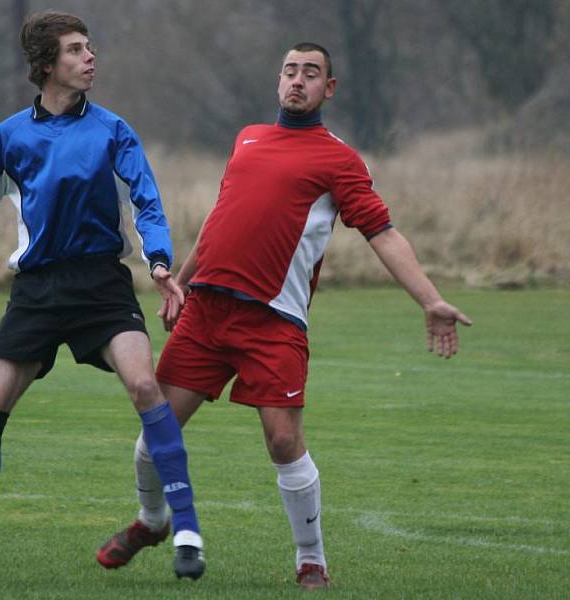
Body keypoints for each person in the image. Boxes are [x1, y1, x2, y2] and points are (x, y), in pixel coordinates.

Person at [96, 42, 472, 589]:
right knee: (158, 428)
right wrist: (180, 278)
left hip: (273, 321)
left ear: (329, 88)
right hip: (205, 309)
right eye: (291, 71)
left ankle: (310, 559)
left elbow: (382, 234)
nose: (298, 81)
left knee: (281, 441)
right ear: (279, 81)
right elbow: (221, 219)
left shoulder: (339, 159)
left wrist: (431, 299)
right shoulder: (247, 137)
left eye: (311, 74)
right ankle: (152, 522)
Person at [0, 11, 204, 581]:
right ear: (48, 65)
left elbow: (146, 198)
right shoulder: (9, 137)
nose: (90, 57)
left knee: (145, 384)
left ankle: (188, 530)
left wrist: (160, 261)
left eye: (90, 47)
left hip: (101, 284)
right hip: (38, 292)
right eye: (77, 50)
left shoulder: (112, 130)